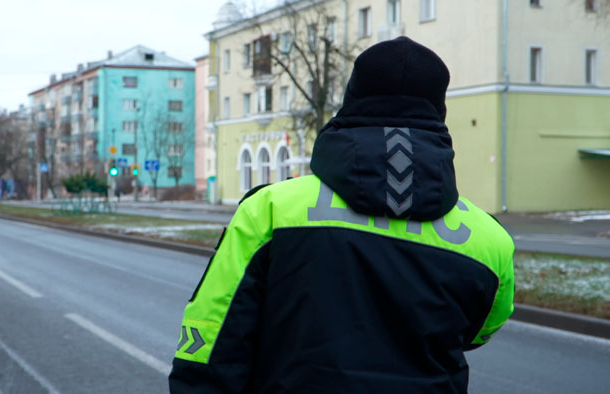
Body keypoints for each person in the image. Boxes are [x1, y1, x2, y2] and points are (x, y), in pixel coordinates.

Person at [169, 36, 515, 394]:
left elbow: (211, 338)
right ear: (439, 111)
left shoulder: (270, 210)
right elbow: (479, 331)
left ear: (351, 102)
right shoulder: (489, 241)